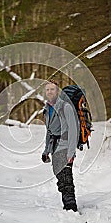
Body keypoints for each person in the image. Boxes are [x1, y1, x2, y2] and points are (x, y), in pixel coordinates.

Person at [42, 79, 79, 212]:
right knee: (60, 176)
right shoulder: (47, 109)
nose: (50, 91)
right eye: (47, 89)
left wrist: (71, 152)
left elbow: (73, 129)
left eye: (52, 89)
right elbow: (49, 131)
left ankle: (71, 207)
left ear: (57, 91)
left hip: (64, 145)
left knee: (66, 176)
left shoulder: (66, 107)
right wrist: (46, 150)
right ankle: (68, 204)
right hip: (54, 147)